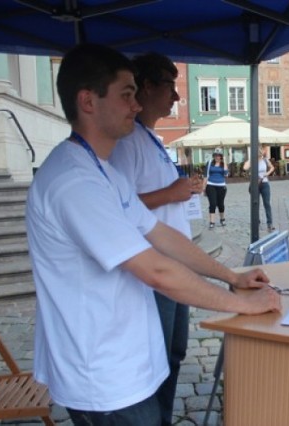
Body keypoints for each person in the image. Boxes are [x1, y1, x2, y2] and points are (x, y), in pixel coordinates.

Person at [26, 43, 281, 426]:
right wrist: (244, 305)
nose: (135, 105)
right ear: (88, 101)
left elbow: (159, 233)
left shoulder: (101, 169)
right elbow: (156, 271)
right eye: (126, 95)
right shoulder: (73, 180)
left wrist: (233, 276)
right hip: (103, 376)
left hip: (125, 362)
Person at [109, 52, 204, 426]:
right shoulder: (127, 141)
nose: (177, 97)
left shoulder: (148, 138)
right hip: (155, 269)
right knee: (159, 356)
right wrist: (170, 194)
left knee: (174, 352)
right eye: (170, 86)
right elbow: (119, 205)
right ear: (147, 87)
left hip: (175, 264)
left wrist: (179, 191)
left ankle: (162, 416)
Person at [243, 146, 276, 232]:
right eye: (257, 151)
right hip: (255, 185)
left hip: (264, 183)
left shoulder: (265, 160)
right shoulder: (253, 161)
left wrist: (267, 173)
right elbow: (245, 168)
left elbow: (272, 167)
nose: (259, 152)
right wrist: (251, 159)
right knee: (255, 203)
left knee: (267, 203)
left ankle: (269, 223)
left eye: (260, 150)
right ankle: (256, 222)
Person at [204, 147, 229, 228]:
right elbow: (206, 176)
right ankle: (212, 221)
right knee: (213, 203)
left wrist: (224, 161)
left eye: (219, 155)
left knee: (220, 204)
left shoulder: (223, 164)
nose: (217, 157)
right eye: (216, 155)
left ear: (221, 156)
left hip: (221, 186)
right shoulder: (209, 163)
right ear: (213, 156)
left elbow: (226, 174)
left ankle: (222, 219)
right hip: (210, 185)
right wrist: (204, 188)